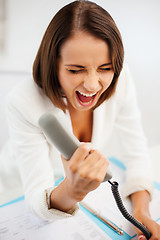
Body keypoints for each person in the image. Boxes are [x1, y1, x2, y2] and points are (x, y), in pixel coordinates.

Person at [0, 0, 159, 239]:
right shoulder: (23, 101)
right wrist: (70, 191)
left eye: (105, 68)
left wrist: (140, 211)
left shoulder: (121, 76)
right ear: (52, 65)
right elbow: (35, 198)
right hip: (14, 193)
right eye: (75, 70)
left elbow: (137, 153)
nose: (93, 85)